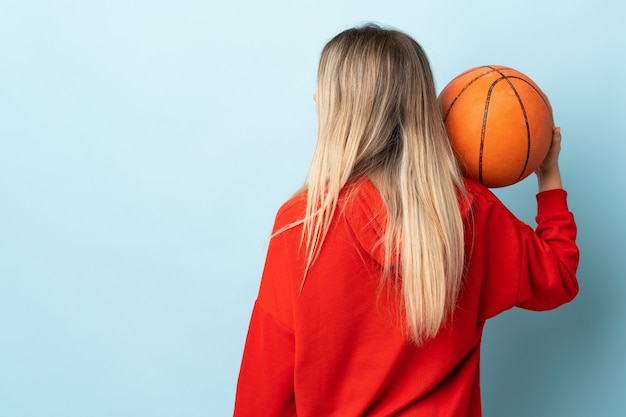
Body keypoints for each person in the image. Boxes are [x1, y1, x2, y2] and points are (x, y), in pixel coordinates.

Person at [233, 24, 579, 417]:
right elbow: (559, 276)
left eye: (324, 89)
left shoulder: (302, 226)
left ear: (343, 109)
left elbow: (264, 392)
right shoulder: (470, 213)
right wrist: (548, 172)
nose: (315, 97)